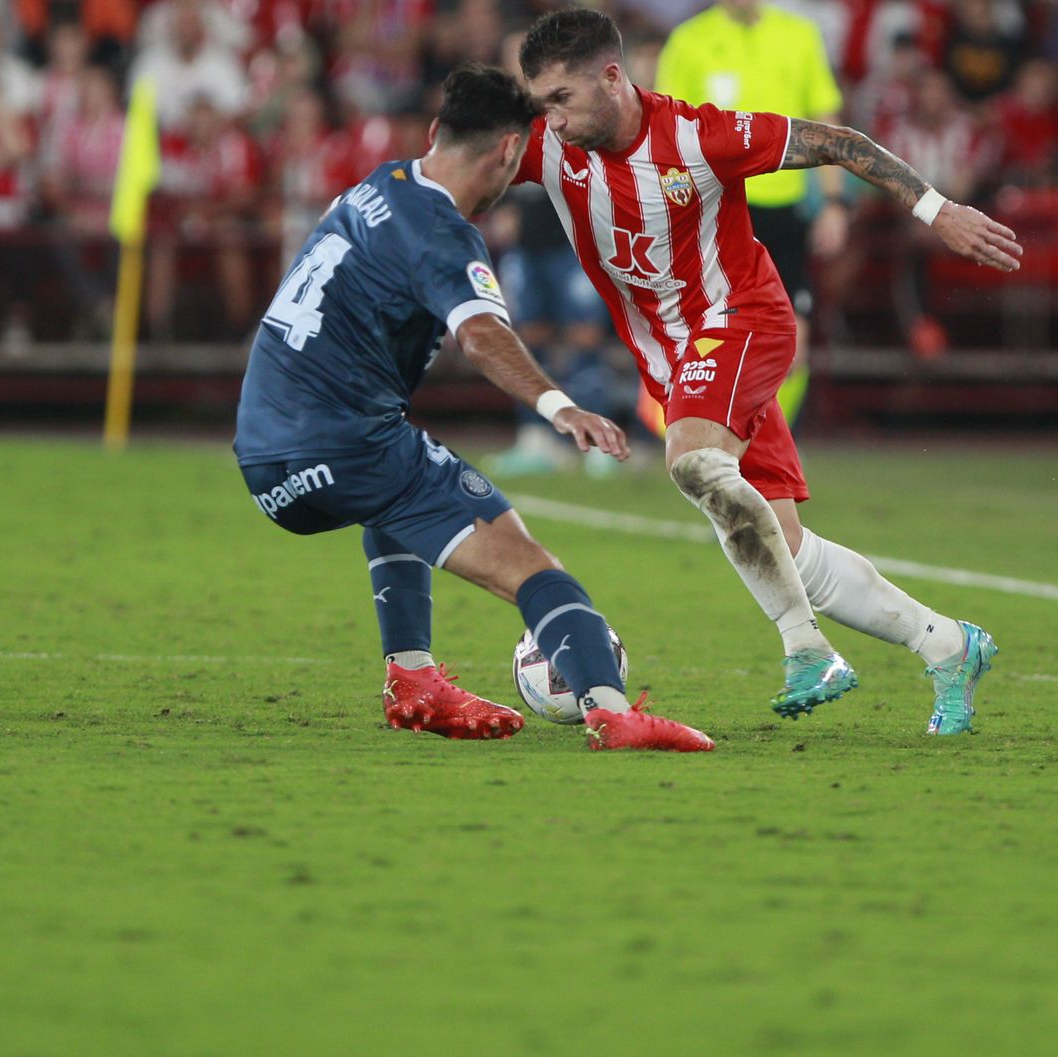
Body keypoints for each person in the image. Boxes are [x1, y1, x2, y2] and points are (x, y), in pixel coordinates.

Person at [515, 7, 1022, 733]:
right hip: (677, 360)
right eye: (542, 106)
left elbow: (839, 142)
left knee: (692, 461)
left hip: (743, 322)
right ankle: (947, 644)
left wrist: (936, 210)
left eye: (561, 99)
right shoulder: (550, 147)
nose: (553, 121)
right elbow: (466, 160)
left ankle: (807, 648)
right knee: (786, 548)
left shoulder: (700, 135)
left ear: (612, 76)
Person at [233, 63, 713, 753]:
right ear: (510, 152)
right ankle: (612, 710)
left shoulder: (379, 184)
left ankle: (414, 678)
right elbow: (483, 335)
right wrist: (559, 406)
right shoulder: (443, 234)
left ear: (435, 131)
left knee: (399, 495)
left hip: (263, 455)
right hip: (343, 443)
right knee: (535, 569)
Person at [655, 0, 845, 426]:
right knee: (714, 335)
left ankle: (767, 439)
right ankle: (706, 432)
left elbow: (824, 122)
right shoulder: (689, 41)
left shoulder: (799, 35)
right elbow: (666, 135)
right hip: (718, 213)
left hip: (785, 210)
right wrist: (677, 206)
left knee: (792, 339)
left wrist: (832, 204)